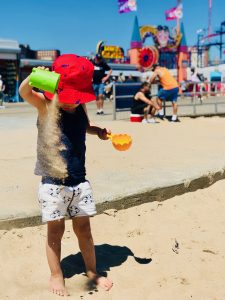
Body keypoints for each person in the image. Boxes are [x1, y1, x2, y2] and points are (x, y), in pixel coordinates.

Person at [19, 54, 113, 296]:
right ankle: (56, 274)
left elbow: (84, 127)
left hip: (79, 180)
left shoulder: (79, 107)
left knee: (85, 230)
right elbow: (24, 92)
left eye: (77, 98)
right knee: (55, 232)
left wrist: (99, 131)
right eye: (69, 97)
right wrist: (35, 76)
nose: (72, 102)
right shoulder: (46, 106)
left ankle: (91, 271)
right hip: (53, 183)